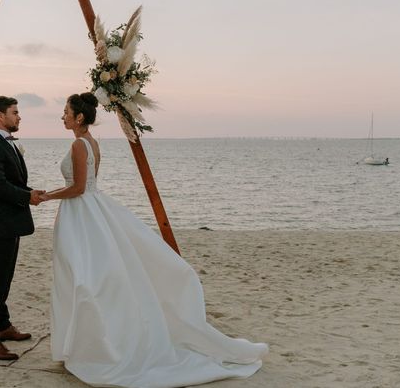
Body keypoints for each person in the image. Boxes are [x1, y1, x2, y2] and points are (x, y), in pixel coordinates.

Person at [40, 92, 268, 386]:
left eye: (66, 111)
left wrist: (45, 196)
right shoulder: (92, 143)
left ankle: (92, 347)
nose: (62, 116)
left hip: (82, 214)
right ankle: (83, 343)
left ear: (79, 117)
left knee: (84, 278)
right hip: (89, 212)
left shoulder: (78, 144)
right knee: (86, 276)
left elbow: (80, 188)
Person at [0, 96, 45, 361]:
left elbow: (10, 181)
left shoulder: (5, 144)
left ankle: (3, 326)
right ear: (0, 116)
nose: (19, 117)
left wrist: (30, 192)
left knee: (5, 278)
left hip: (10, 221)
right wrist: (27, 197)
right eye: (15, 112)